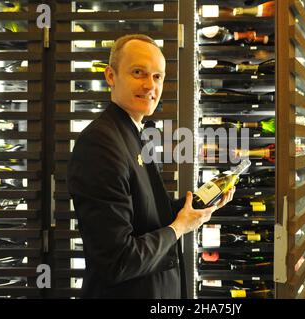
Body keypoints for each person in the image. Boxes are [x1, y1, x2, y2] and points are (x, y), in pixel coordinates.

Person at [67, 34, 235, 299]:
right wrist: (179, 228)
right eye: (138, 73)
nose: (149, 86)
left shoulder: (133, 133)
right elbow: (118, 260)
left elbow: (145, 217)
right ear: (110, 76)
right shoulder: (99, 144)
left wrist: (196, 207)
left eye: (157, 77)